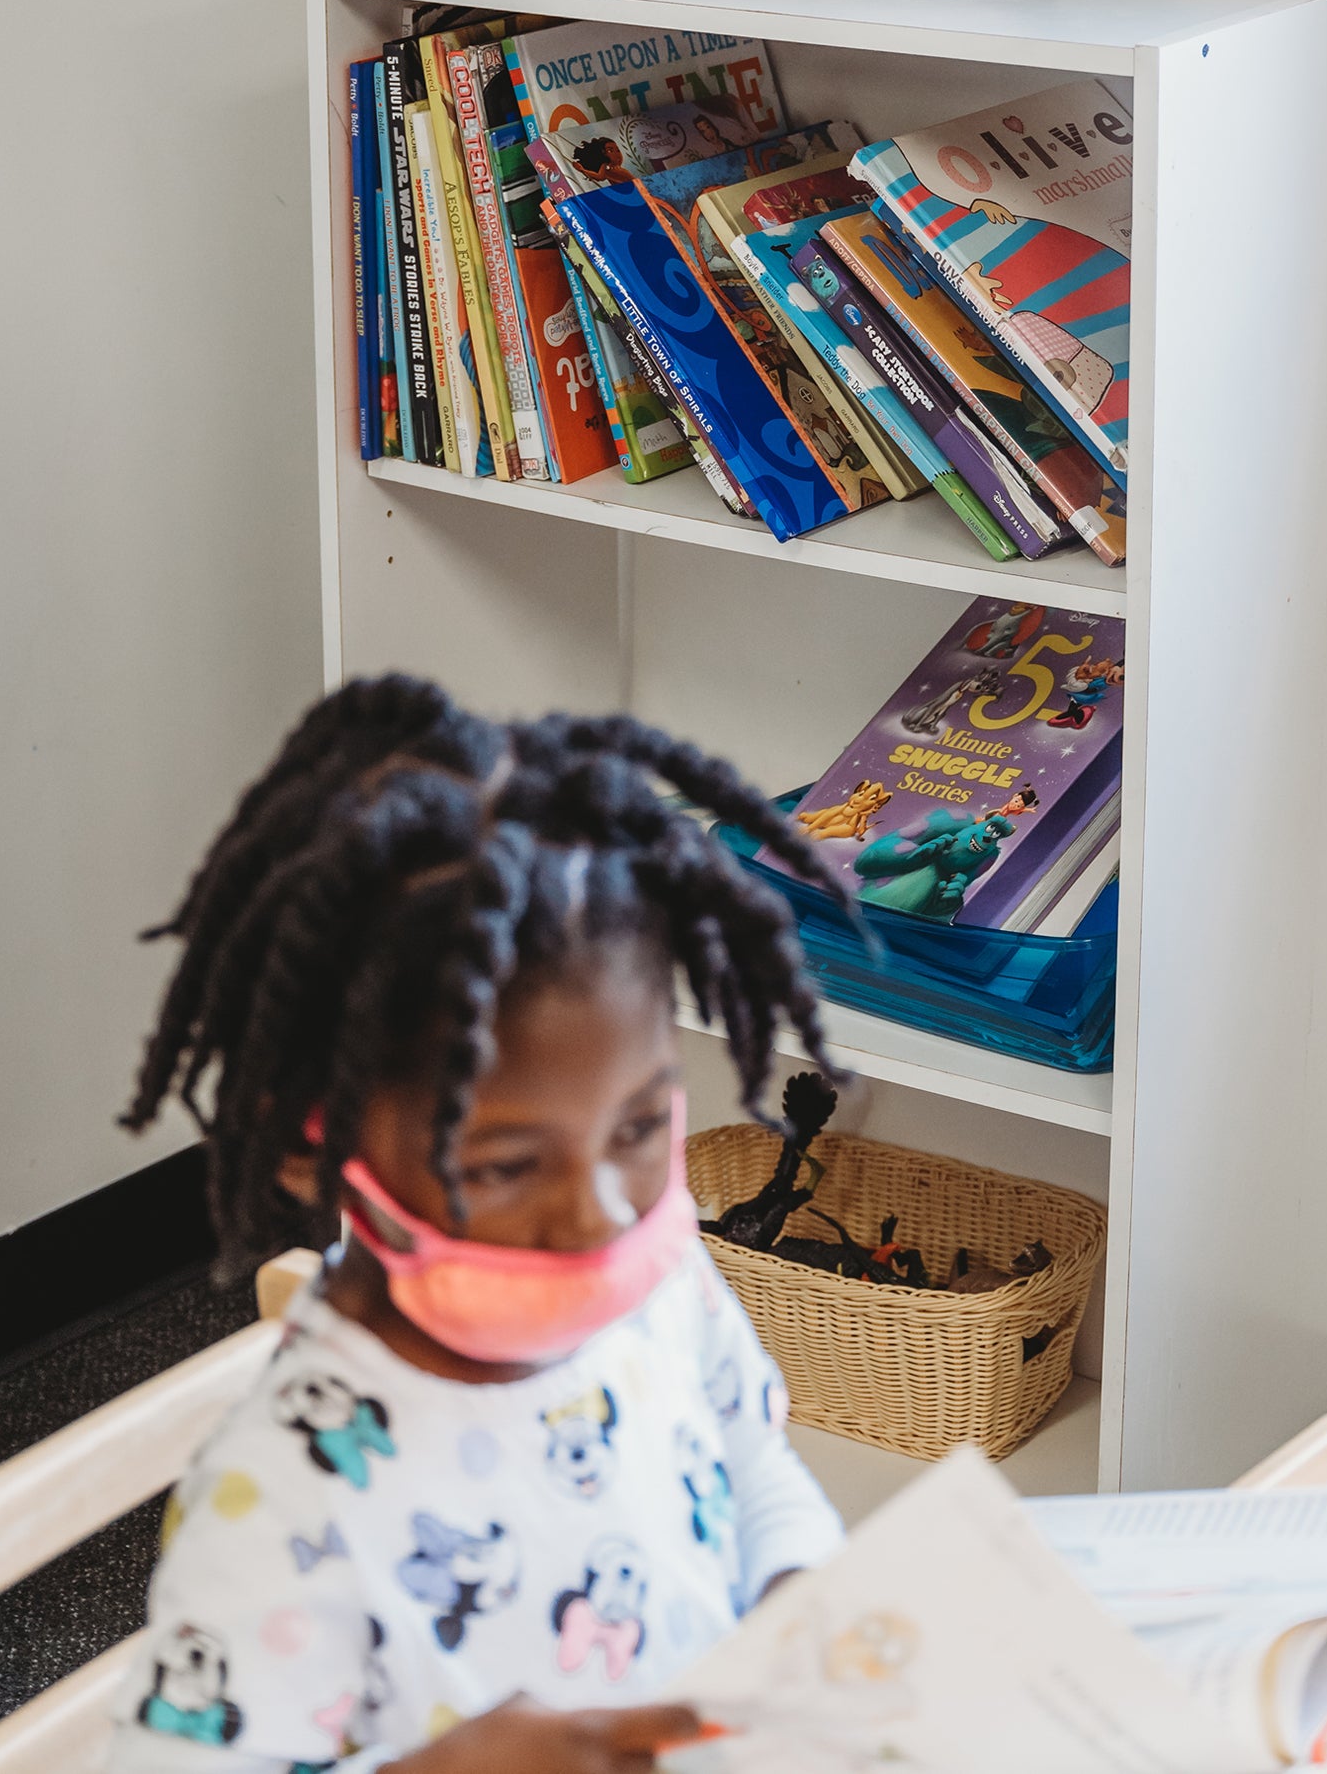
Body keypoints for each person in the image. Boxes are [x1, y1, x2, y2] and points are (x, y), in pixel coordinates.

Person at [108, 676, 852, 1774]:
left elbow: (752, 1462)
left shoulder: (659, 1278)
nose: (597, 1213)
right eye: (506, 1164)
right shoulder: (282, 1506)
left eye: (640, 1123)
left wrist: (798, 1603)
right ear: (314, 1142)